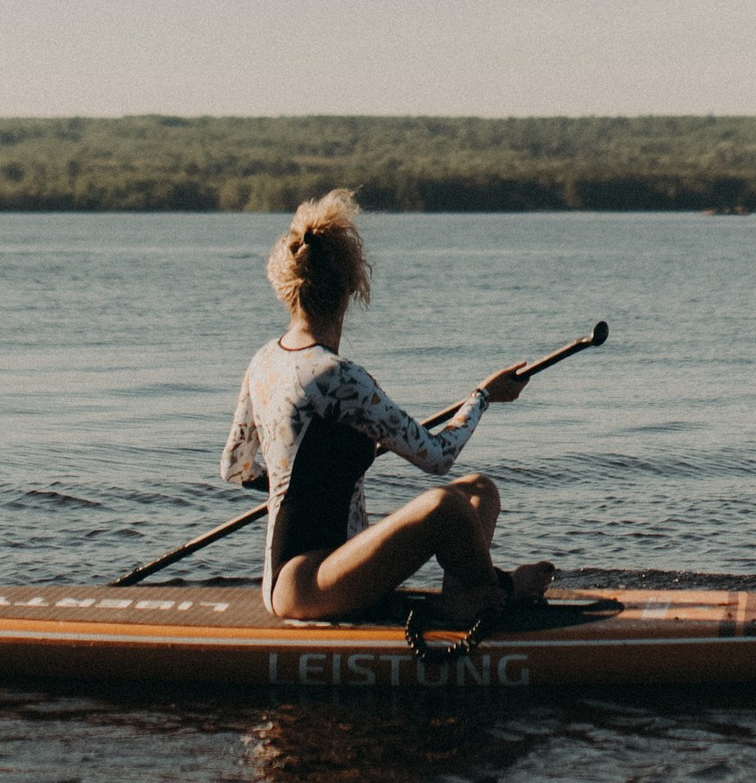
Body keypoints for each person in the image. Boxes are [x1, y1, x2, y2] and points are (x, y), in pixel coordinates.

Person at [221, 189, 553, 625]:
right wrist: (484, 397)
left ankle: (463, 596)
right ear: (352, 286)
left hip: (311, 575)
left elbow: (235, 466)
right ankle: (499, 590)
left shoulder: (265, 360)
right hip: (307, 587)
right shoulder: (338, 377)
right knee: (445, 506)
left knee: (478, 491)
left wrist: (294, 482)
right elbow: (436, 457)